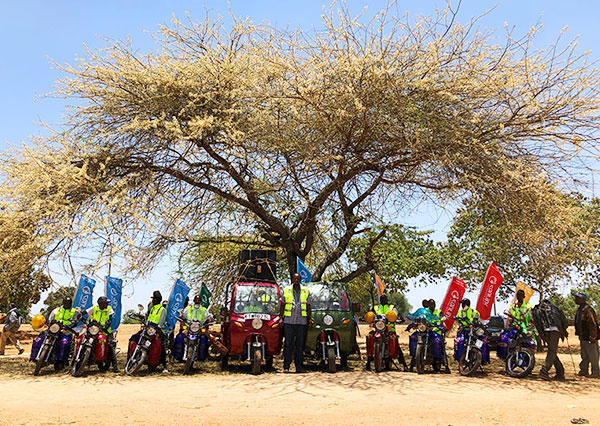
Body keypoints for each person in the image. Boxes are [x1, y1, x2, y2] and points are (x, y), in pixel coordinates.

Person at [366, 294, 408, 371]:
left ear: (387, 300)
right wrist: (365, 317)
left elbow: (396, 314)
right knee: (370, 338)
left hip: (389, 329)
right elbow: (370, 314)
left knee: (395, 343)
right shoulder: (376, 308)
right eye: (382, 299)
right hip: (379, 328)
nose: (383, 300)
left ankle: (404, 364)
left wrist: (400, 318)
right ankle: (368, 363)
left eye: (384, 299)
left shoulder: (391, 308)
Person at [280, 273, 311, 373]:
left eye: (298, 278)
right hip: (289, 321)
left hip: (301, 322)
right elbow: (282, 305)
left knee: (300, 345)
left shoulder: (305, 290)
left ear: (300, 279)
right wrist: (281, 318)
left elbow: (308, 306)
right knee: (288, 344)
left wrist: (309, 319)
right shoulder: (286, 290)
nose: (296, 280)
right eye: (295, 278)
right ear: (292, 279)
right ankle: (286, 366)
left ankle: (299, 366)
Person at [532, 299, 568, 380]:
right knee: (552, 351)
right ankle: (544, 371)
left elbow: (537, 322)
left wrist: (541, 333)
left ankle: (560, 371)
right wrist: (564, 330)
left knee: (552, 351)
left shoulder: (538, 309)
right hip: (555, 331)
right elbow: (564, 321)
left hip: (545, 332)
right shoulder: (556, 308)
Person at [86, 296, 118, 372]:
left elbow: (110, 320)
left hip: (106, 331)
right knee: (86, 341)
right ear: (101, 303)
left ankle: (115, 366)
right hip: (95, 330)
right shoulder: (95, 308)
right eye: (106, 303)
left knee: (110, 345)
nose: (107, 304)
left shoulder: (109, 309)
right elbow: (86, 312)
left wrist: (106, 326)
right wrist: (80, 314)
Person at [574, 292, 599, 378]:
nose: (575, 300)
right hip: (583, 336)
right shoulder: (580, 309)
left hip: (590, 336)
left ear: (583, 299)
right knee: (584, 354)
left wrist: (593, 336)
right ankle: (584, 370)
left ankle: (595, 371)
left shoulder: (588, 310)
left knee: (593, 354)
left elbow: (592, 324)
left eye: (578, 298)